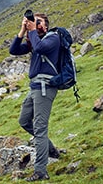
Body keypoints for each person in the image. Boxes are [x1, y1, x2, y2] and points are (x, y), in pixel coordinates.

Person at [9, 12, 61, 181]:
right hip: (35, 87)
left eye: (39, 23)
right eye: (33, 22)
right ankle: (50, 148)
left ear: (46, 25)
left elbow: (40, 48)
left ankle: (40, 171)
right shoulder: (34, 40)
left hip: (46, 87)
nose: (35, 25)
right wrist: (23, 30)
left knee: (39, 128)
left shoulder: (53, 38)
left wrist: (32, 31)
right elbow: (14, 50)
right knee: (24, 121)